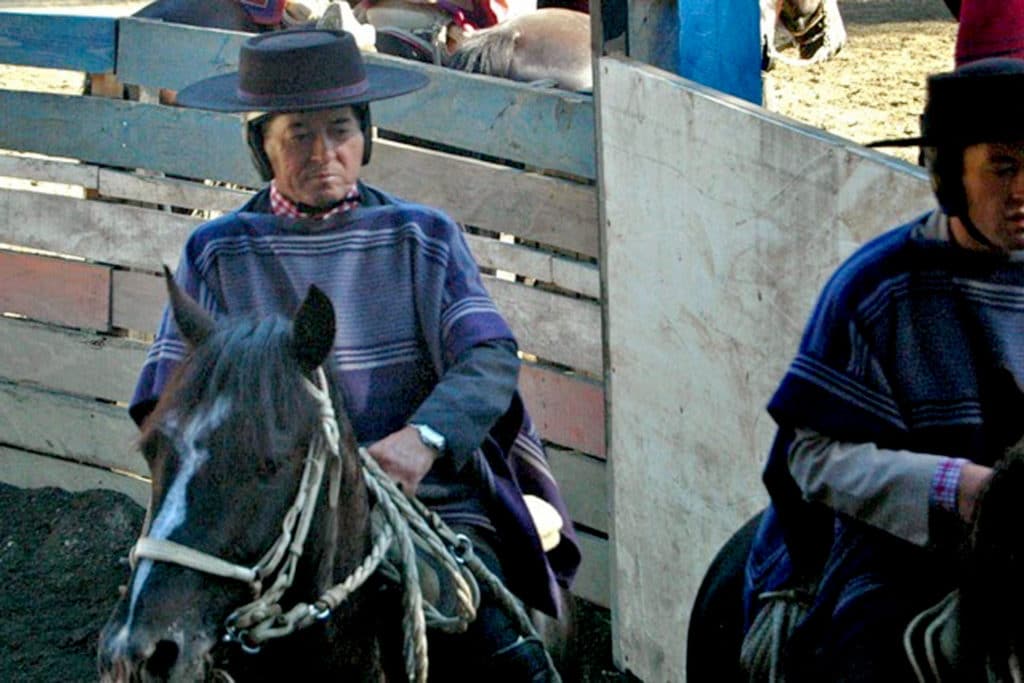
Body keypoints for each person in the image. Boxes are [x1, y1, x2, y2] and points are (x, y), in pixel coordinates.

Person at [129, 28, 580, 681]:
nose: (324, 153)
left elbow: (487, 356)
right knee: (156, 639)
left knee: (491, 636)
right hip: (267, 519)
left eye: (339, 130)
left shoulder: (422, 236)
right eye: (299, 134)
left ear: (366, 135)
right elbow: (166, 398)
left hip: (422, 496)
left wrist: (421, 438)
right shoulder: (217, 251)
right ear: (262, 146)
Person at [741, 56, 1024, 681]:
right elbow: (809, 457)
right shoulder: (877, 287)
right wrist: (960, 489)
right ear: (950, 174)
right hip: (905, 550)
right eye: (1003, 167)